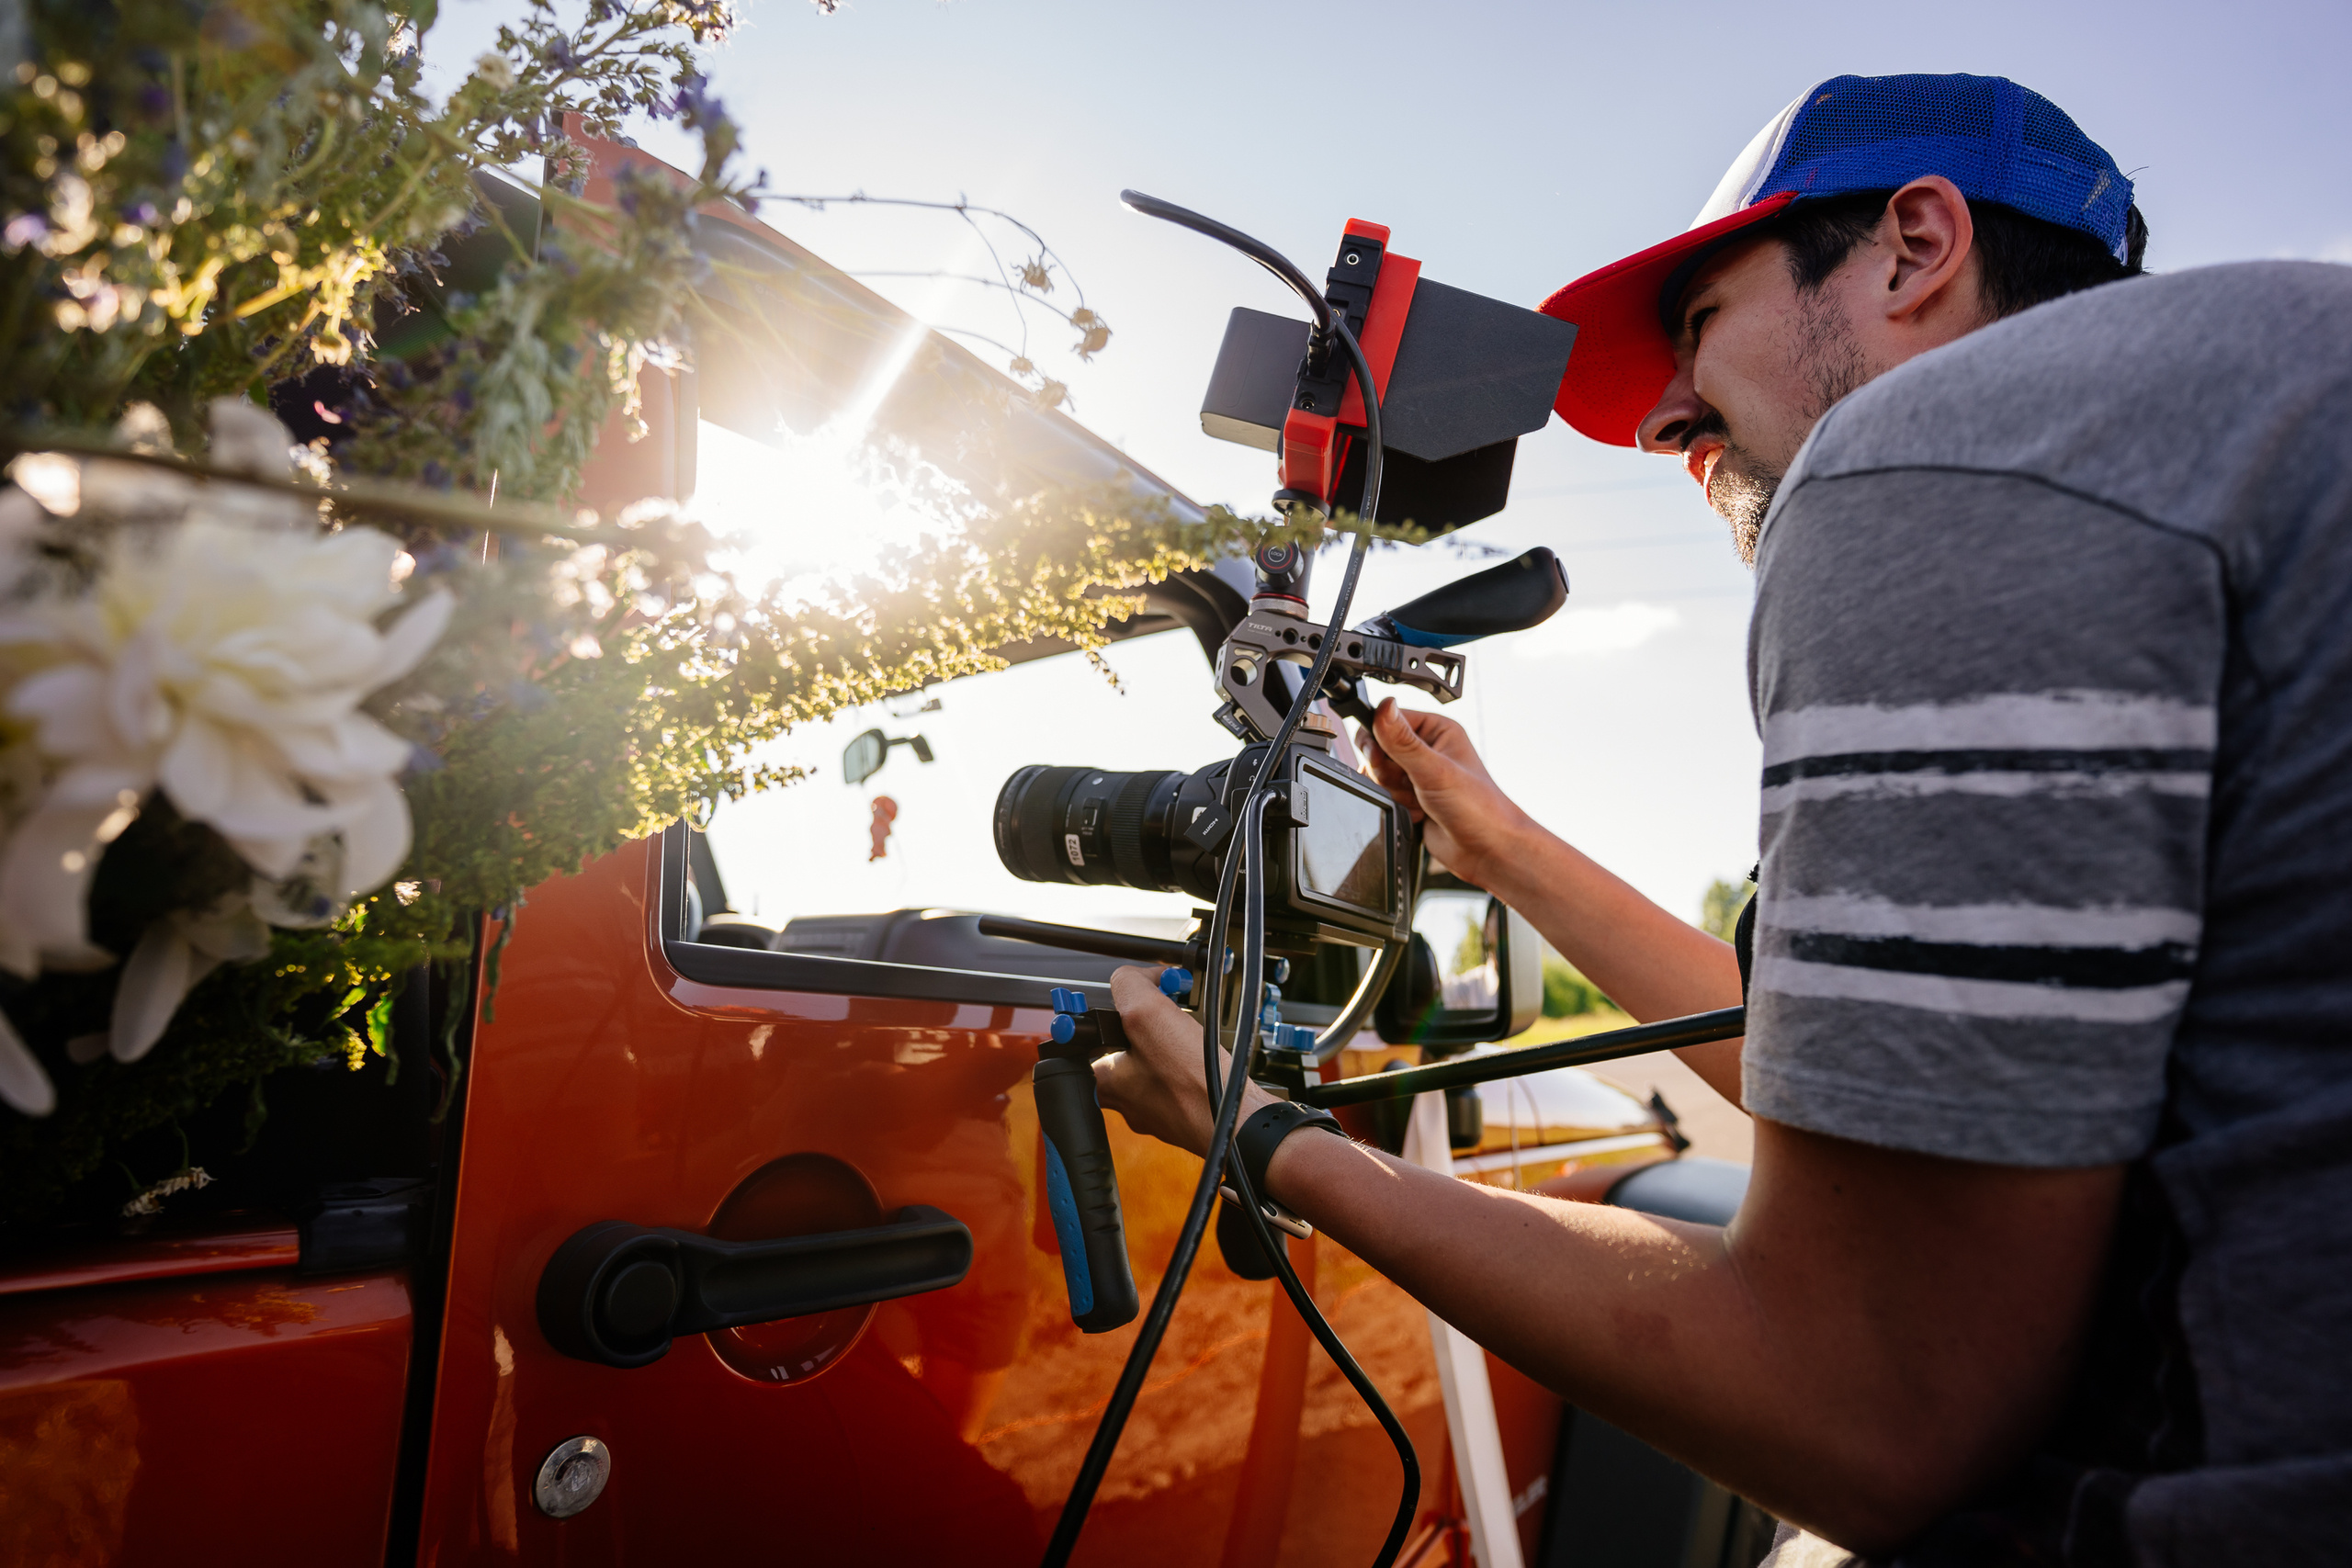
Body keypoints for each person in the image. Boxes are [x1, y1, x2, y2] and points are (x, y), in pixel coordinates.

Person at [1095, 73, 2352, 1565]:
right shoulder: (2243, 407)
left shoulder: (1953, 450)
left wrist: (1273, 1140)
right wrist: (1493, 842)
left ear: (1913, 246)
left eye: (1697, 322)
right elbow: (1862, 1076)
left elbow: (1869, 1412)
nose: (1667, 419)